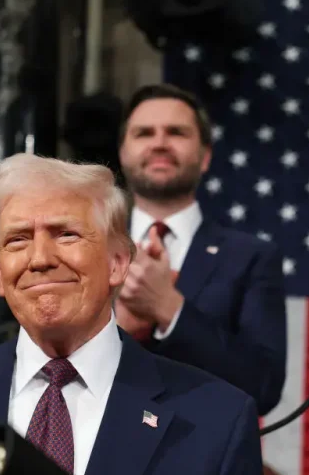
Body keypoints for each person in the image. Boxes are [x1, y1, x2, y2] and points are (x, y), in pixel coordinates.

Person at [0, 154, 265, 475]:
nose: (40, 258)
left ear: (118, 262)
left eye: (66, 234)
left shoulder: (217, 420)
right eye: (17, 240)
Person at [115, 83, 287, 416]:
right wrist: (115, 332)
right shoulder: (85, 250)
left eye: (176, 133)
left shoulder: (250, 257)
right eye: (144, 133)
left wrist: (169, 309)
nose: (160, 143)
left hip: (199, 459)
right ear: (123, 153)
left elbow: (263, 387)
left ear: (205, 156)